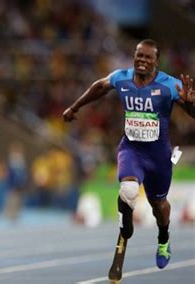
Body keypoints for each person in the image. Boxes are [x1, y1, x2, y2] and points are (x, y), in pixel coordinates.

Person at [63, 39, 194, 276]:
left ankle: (163, 238)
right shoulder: (121, 77)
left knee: (159, 207)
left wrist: (192, 105)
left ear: (156, 61)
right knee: (128, 192)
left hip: (159, 157)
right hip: (131, 150)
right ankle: (126, 223)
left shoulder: (170, 85)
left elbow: (192, 114)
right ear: (134, 57)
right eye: (139, 56)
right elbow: (99, 87)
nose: (142, 61)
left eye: (148, 57)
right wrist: (75, 107)